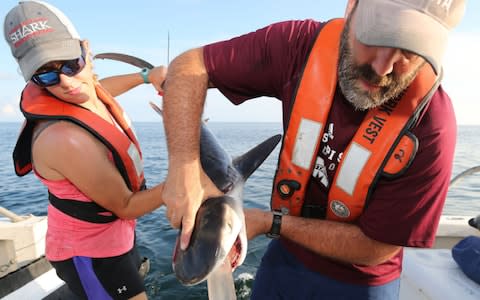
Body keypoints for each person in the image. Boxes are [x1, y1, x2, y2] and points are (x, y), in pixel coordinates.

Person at [160, 0, 467, 299]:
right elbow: (188, 68)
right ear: (352, 8)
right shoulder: (298, 47)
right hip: (283, 260)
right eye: (375, 36)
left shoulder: (431, 126)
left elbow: (377, 247)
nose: (382, 68)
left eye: (409, 53)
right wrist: (183, 168)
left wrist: (272, 223)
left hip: (359, 284)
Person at [3, 1, 166, 299]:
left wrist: (146, 76)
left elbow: (98, 90)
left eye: (70, 63)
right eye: (46, 74)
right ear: (32, 77)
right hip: (89, 253)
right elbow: (127, 205)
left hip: (115, 236)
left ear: (86, 49)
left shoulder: (81, 88)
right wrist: (185, 182)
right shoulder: (63, 139)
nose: (66, 82)